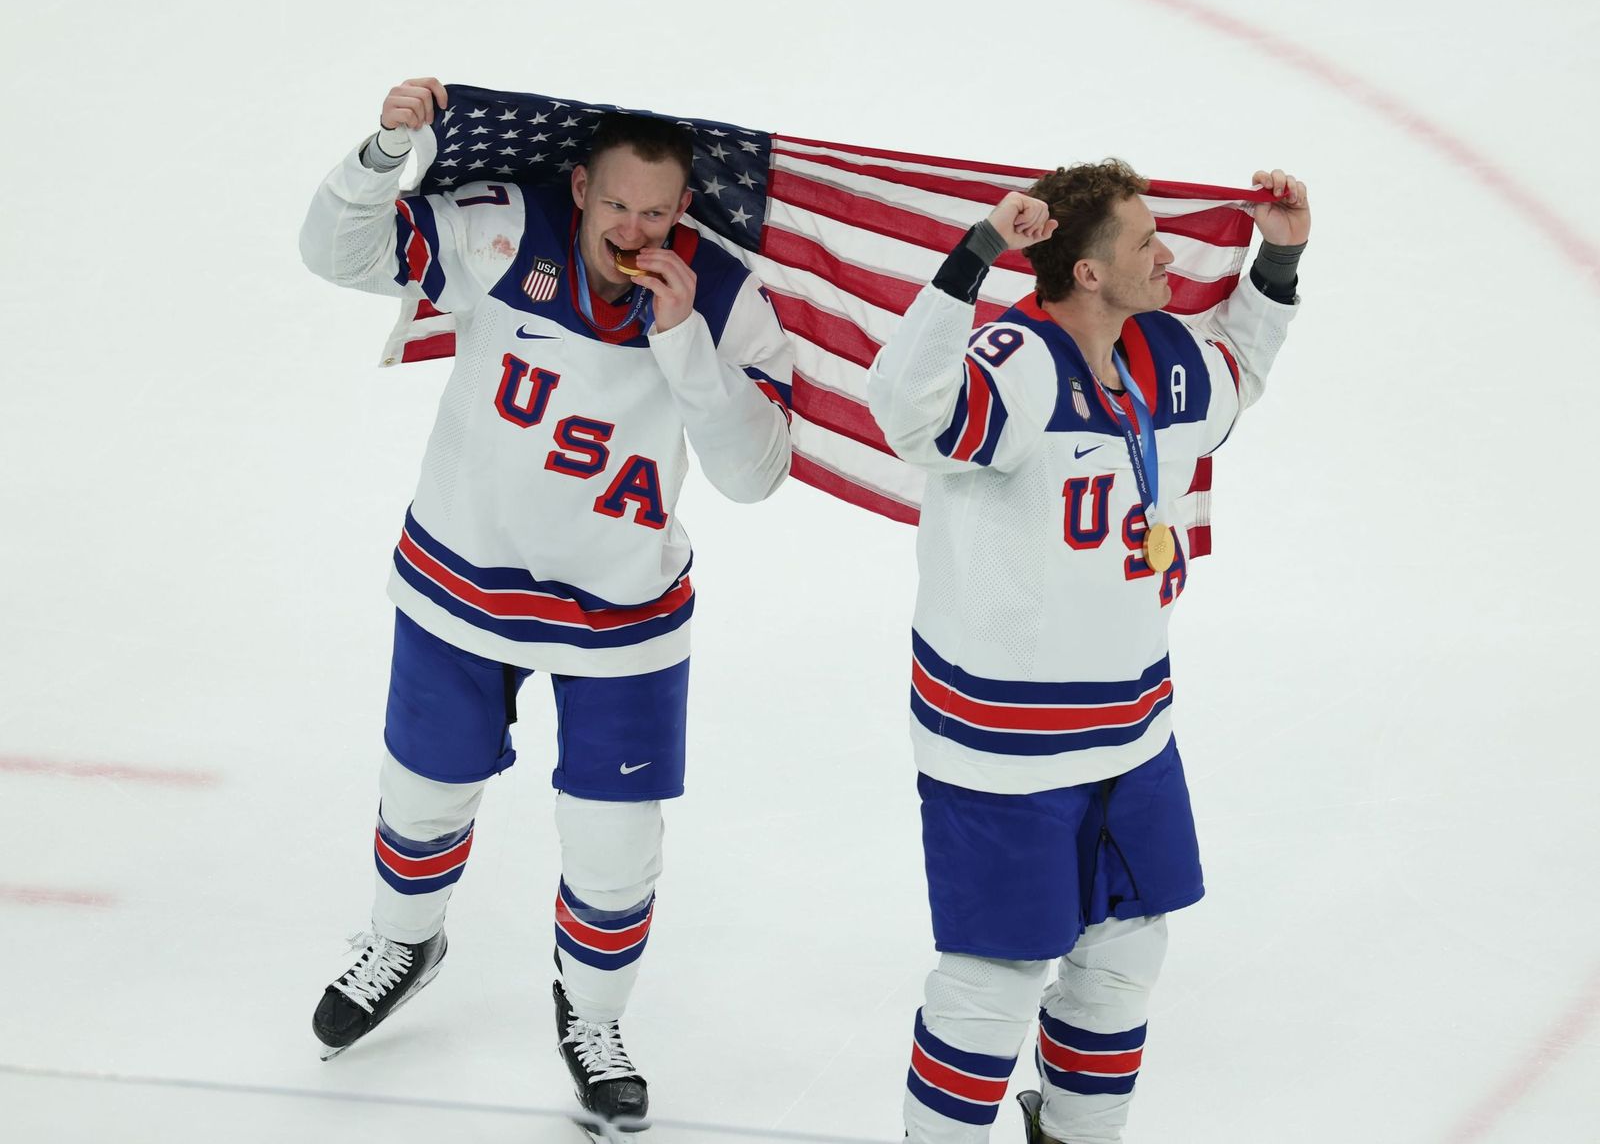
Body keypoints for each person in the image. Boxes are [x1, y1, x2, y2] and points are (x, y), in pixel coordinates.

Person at [298, 77, 794, 1130]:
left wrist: (680, 345)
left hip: (622, 613)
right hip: (461, 579)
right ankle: (405, 939)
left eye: (657, 211)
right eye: (616, 204)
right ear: (579, 186)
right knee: (423, 796)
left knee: (615, 845)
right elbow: (333, 253)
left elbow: (756, 474)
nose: (634, 229)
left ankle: (594, 1012)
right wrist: (384, 153)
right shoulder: (501, 229)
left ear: (683, 210)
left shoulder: (721, 295)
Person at [866, 160, 1309, 1143]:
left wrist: (1279, 256)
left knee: (1125, 955)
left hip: (1132, 729)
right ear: (1089, 273)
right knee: (992, 981)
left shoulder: (1165, 355)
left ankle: (1073, 1132)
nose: (1167, 254)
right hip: (1002, 743)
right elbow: (909, 411)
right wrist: (978, 252)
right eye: (1144, 240)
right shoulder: (1016, 361)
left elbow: (1239, 369)